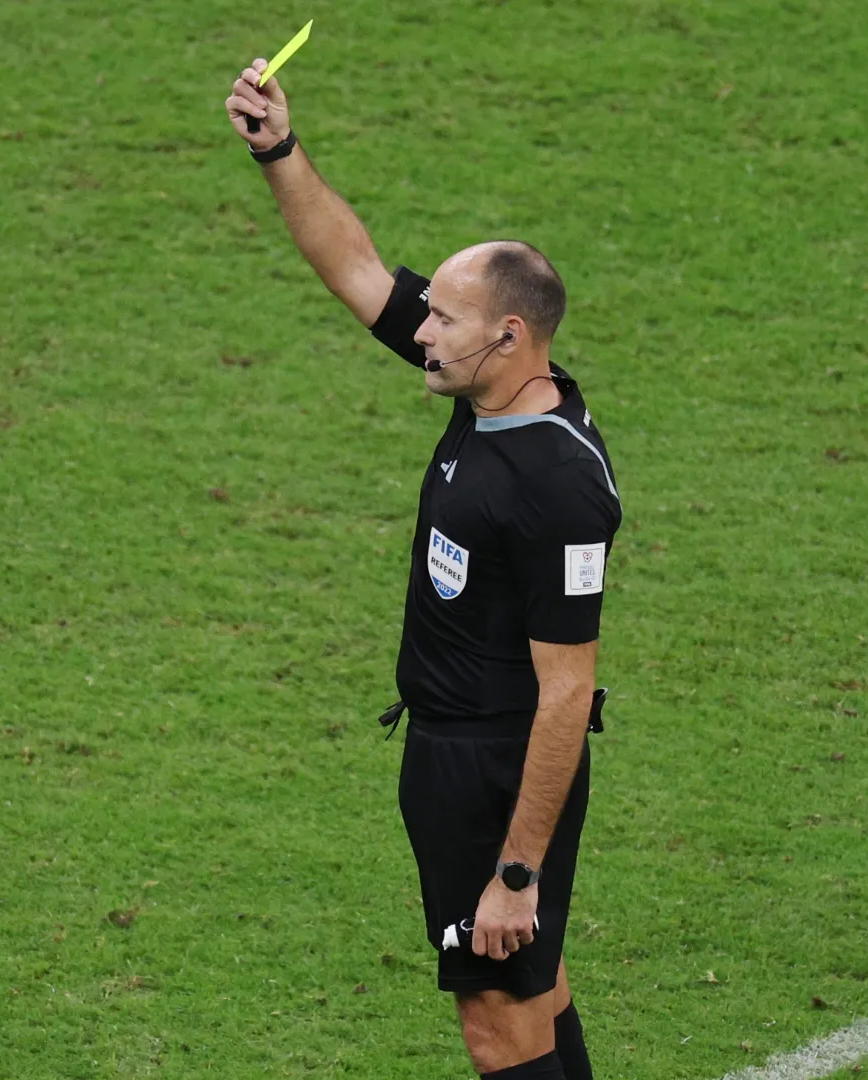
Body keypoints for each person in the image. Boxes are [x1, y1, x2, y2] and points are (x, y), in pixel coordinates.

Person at [225, 60, 621, 1080]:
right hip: (447, 756)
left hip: (498, 771)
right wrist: (278, 150)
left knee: (499, 1021)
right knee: (532, 996)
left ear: (511, 334)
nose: (420, 331)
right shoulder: (487, 389)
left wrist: (518, 871)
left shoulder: (557, 488)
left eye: (443, 318)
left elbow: (568, 691)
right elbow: (356, 266)